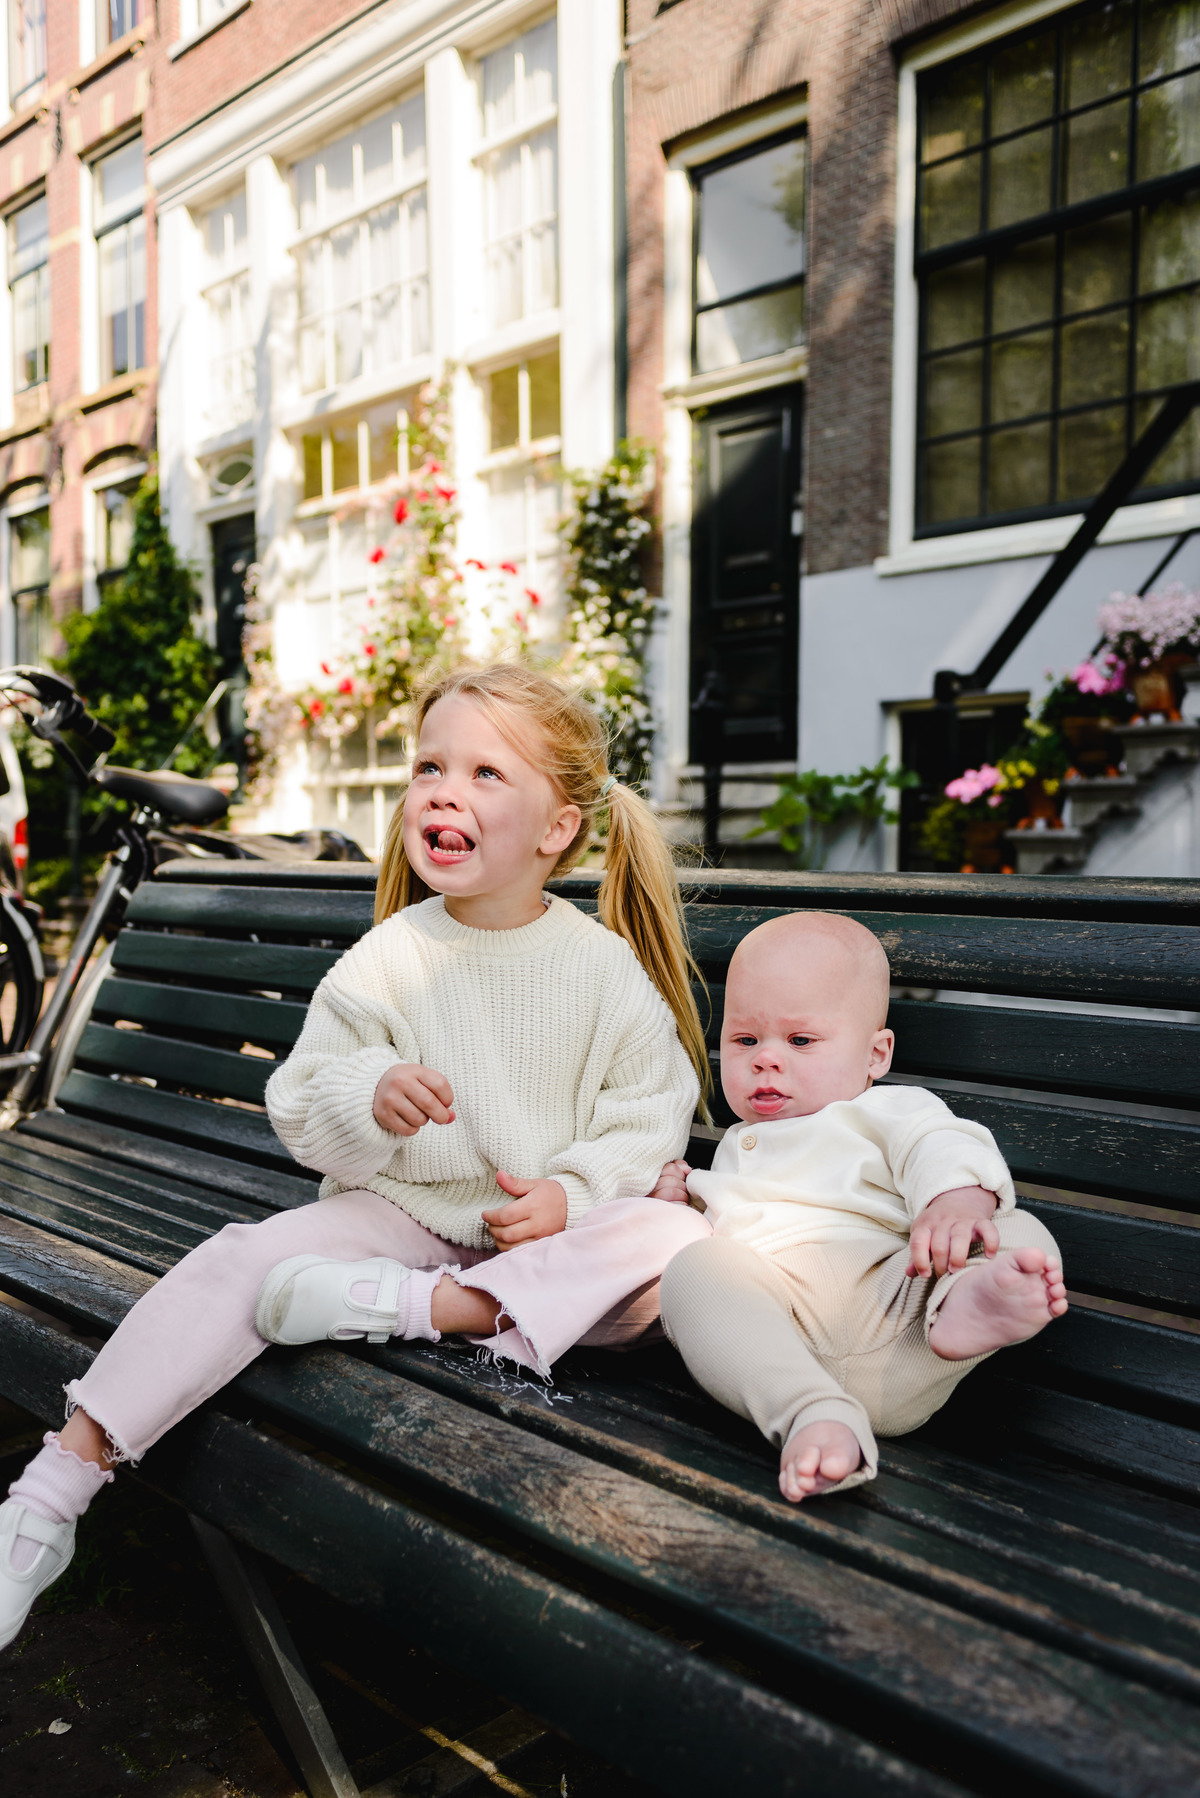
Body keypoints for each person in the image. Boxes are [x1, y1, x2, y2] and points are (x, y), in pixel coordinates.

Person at [0, 663, 712, 1649]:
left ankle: (427, 1314)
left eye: (484, 772)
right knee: (247, 1258)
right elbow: (299, 1104)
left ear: (557, 829)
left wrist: (572, 1191)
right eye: (428, 765)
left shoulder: (598, 966)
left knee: (677, 1240)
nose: (441, 789)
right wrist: (369, 1098)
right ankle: (51, 1493)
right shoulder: (394, 954)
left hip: (546, 1252)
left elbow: (652, 1106)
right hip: (401, 1221)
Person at [656, 911, 1067, 1504]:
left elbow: (945, 1145)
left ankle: (969, 1303)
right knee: (695, 1270)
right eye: (745, 1040)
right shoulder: (735, 1147)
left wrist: (952, 1200)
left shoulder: (887, 1112)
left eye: (800, 1040)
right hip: (781, 1329)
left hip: (903, 1312)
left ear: (875, 1056)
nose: (766, 1060)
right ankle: (813, 1416)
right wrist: (678, 1198)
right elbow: (723, 1233)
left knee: (1015, 1230)